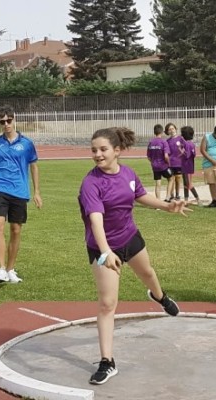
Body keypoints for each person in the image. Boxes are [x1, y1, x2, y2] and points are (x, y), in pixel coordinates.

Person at [79, 127, 189, 385]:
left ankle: (159, 296)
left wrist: (167, 206)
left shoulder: (127, 173)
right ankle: (107, 362)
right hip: (102, 247)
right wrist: (106, 252)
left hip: (130, 237)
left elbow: (141, 196)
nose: (97, 154)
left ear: (117, 151)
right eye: (94, 150)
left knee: (148, 274)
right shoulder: (91, 183)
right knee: (107, 304)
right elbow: (96, 220)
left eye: (103, 149)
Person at [0, 105, 42, 284]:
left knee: (16, 230)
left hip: (19, 190)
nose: (6, 124)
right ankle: (1, 269)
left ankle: (11, 269)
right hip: (0, 188)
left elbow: (34, 166)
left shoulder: (26, 144)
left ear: (14, 119)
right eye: (2, 121)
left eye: (8, 120)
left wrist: (36, 192)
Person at [146, 124, 171, 200]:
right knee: (171, 178)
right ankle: (168, 196)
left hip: (155, 166)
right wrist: (168, 163)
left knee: (158, 183)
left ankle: (158, 201)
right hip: (163, 166)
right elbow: (166, 156)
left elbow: (148, 156)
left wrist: (153, 162)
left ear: (154, 132)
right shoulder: (164, 142)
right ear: (162, 132)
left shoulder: (151, 142)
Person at [179, 127, 201, 205]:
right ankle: (186, 200)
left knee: (188, 184)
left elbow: (187, 155)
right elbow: (193, 154)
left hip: (186, 166)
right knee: (186, 183)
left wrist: (180, 150)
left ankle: (198, 199)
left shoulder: (186, 144)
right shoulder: (192, 144)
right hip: (190, 165)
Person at [164, 123, 183, 201]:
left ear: (175, 129)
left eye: (173, 128)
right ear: (167, 131)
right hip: (170, 163)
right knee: (170, 179)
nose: (172, 130)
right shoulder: (167, 141)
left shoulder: (181, 139)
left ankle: (177, 195)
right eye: (170, 129)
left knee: (178, 179)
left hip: (179, 162)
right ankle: (171, 195)